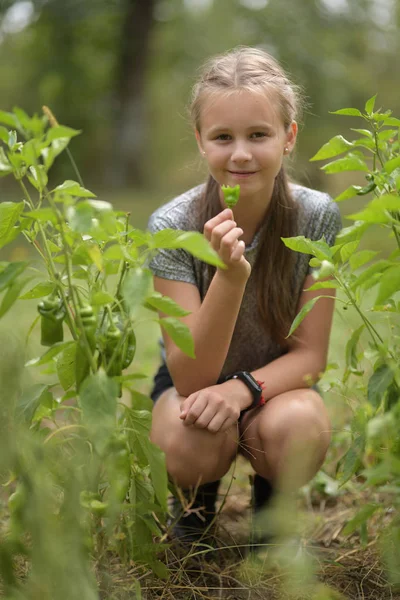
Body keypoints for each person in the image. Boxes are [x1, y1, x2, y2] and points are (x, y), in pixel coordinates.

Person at [147, 46, 341, 547]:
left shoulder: (316, 217)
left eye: (259, 134)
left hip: (278, 386)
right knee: (192, 438)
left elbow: (311, 355)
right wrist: (229, 278)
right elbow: (190, 376)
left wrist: (241, 391)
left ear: (289, 137)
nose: (240, 154)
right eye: (222, 137)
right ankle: (194, 505)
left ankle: (270, 512)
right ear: (200, 140)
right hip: (194, 390)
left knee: (299, 425)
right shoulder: (173, 226)